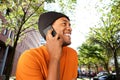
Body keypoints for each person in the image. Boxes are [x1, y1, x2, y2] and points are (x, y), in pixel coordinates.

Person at [16, 11, 78, 80]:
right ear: (49, 30)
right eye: (64, 24)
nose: (70, 28)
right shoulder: (29, 58)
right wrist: (54, 58)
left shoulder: (72, 54)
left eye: (69, 25)